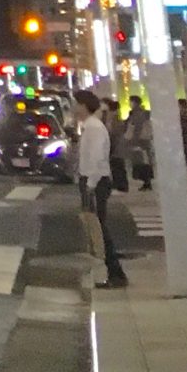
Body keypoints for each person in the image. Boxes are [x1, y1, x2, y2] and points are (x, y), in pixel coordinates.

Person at [74, 90, 127, 289]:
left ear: (83, 105)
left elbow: (97, 159)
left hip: (95, 182)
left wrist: (90, 184)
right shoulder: (89, 127)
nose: (73, 108)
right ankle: (114, 272)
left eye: (76, 104)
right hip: (93, 181)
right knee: (98, 227)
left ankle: (116, 273)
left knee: (99, 229)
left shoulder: (94, 128)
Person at [123, 96, 156, 193]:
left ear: (135, 103)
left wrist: (133, 140)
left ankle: (147, 182)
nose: (130, 104)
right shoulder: (139, 113)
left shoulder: (138, 114)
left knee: (141, 162)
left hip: (140, 141)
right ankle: (147, 182)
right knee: (143, 162)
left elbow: (137, 128)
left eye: (131, 102)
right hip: (143, 141)